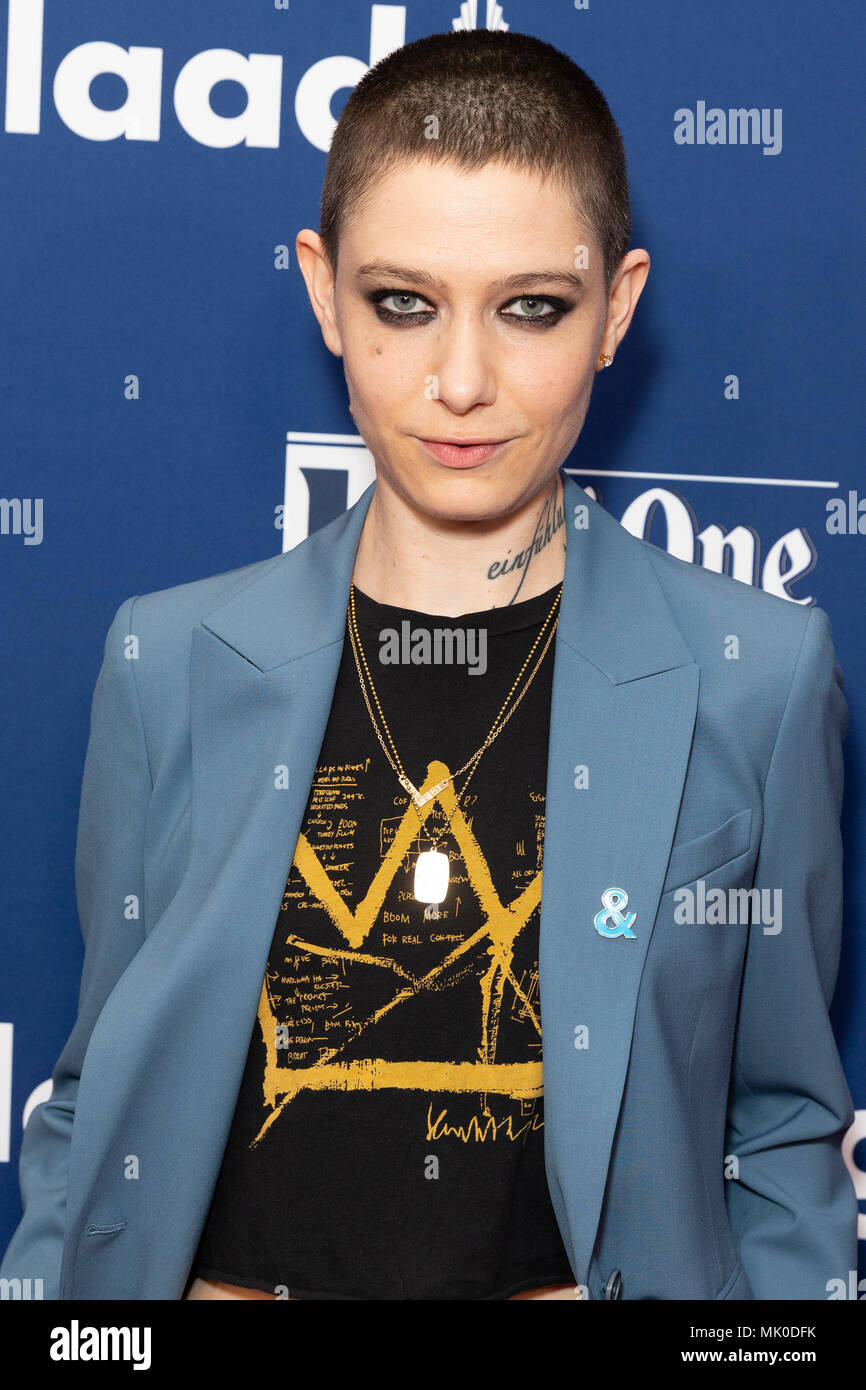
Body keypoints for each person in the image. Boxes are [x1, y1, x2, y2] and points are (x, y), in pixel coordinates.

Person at [1, 28, 856, 1302]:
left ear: (616, 307)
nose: (461, 381)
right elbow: (97, 1098)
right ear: (322, 291)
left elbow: (782, 1133)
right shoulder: (167, 658)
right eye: (403, 302)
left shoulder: (755, 676)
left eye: (531, 307)